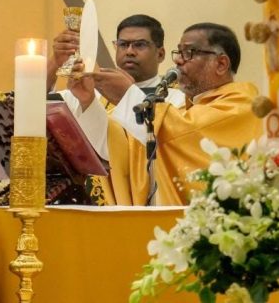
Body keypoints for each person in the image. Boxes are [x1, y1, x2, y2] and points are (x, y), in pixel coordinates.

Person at [105, 22, 262, 205]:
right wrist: (89, 104)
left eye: (189, 53)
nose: (178, 60)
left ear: (221, 64)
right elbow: (136, 145)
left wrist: (127, 96)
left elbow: (183, 131)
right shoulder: (188, 108)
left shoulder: (241, 105)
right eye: (179, 52)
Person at [48, 14, 185, 204]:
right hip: (87, 205)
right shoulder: (89, 89)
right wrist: (55, 61)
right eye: (123, 44)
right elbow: (38, 104)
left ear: (160, 54)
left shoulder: (177, 99)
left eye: (140, 45)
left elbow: (167, 147)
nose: (129, 51)